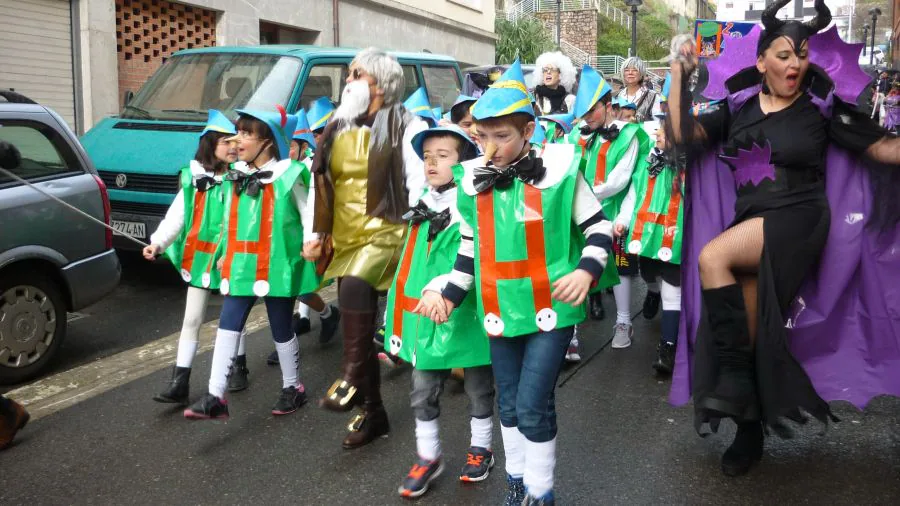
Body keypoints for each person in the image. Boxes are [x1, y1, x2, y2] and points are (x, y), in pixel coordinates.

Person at [666, 0, 900, 477]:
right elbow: (679, 133)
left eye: (802, 54)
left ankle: (731, 382)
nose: (795, 63)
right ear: (761, 62)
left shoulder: (822, 113)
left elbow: (880, 148)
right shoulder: (737, 111)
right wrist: (676, 72)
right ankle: (750, 429)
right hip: (751, 222)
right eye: (784, 54)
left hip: (798, 220)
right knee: (751, 333)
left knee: (713, 258)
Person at [417, 60, 614, 506]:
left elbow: (600, 228)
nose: (489, 148)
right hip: (499, 308)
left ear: (528, 132)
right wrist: (448, 296)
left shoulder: (562, 169)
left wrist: (585, 270)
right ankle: (517, 484)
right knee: (509, 405)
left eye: (501, 136)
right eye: (481, 137)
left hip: (553, 308)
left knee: (530, 404)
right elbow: (470, 247)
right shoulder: (472, 183)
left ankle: (541, 494)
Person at [304, 48, 428, 450]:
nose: (348, 80)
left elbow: (419, 182)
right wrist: (315, 233)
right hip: (346, 235)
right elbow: (319, 182)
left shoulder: (408, 125)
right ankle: (373, 413)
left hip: (390, 230)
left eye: (356, 73)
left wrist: (424, 228)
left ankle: (352, 375)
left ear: (381, 83)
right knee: (356, 316)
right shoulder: (336, 126)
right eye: (349, 73)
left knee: (356, 285)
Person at [184, 107, 321, 420]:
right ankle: (216, 394)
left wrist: (311, 240)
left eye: (247, 134)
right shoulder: (236, 176)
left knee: (281, 327)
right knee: (228, 321)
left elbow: (308, 210)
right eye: (238, 132)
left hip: (278, 264)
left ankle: (293, 387)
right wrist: (221, 253)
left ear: (268, 141)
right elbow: (228, 221)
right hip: (242, 263)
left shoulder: (290, 175)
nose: (237, 140)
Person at [381, 125, 493, 497]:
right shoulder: (424, 202)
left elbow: (472, 256)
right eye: (427, 156)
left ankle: (481, 448)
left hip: (466, 309)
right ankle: (428, 456)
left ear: (463, 162)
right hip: (425, 314)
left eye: (442, 156)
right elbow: (409, 267)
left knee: (479, 385)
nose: (432, 163)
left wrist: (442, 288)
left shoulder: (472, 202)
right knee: (422, 388)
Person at [143, 110, 250, 404]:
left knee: (233, 317)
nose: (233, 147)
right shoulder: (193, 179)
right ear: (209, 145)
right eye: (225, 142)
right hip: (200, 259)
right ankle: (180, 382)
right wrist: (157, 243)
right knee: (191, 319)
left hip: (231, 258)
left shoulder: (243, 178)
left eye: (235, 141)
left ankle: (238, 366)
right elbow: (176, 217)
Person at [568, 65, 651, 350]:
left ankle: (624, 322)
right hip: (578, 212)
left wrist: (587, 195)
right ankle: (571, 332)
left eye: (593, 111)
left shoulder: (629, 134)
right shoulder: (574, 135)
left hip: (615, 210)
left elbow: (621, 179)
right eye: (584, 112)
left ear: (608, 105)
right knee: (574, 265)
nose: (587, 117)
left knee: (621, 267)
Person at [266, 110, 342, 367]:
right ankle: (326, 314)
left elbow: (313, 207)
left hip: (303, 240)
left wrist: (314, 238)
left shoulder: (309, 168)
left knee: (293, 289)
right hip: (278, 240)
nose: (288, 152)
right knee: (294, 290)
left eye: (292, 147)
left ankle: (288, 340)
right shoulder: (271, 171)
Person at [614, 114, 683, 375]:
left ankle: (668, 347)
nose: (656, 135)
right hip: (646, 237)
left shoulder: (692, 168)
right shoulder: (649, 160)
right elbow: (634, 193)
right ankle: (652, 291)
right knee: (649, 275)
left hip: (674, 239)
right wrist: (622, 219)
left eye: (663, 132)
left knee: (672, 290)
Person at [615, 57, 662, 123]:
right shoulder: (617, 96)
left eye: (635, 70)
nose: (630, 72)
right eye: (627, 70)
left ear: (641, 74)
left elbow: (659, 123)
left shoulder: (653, 97)